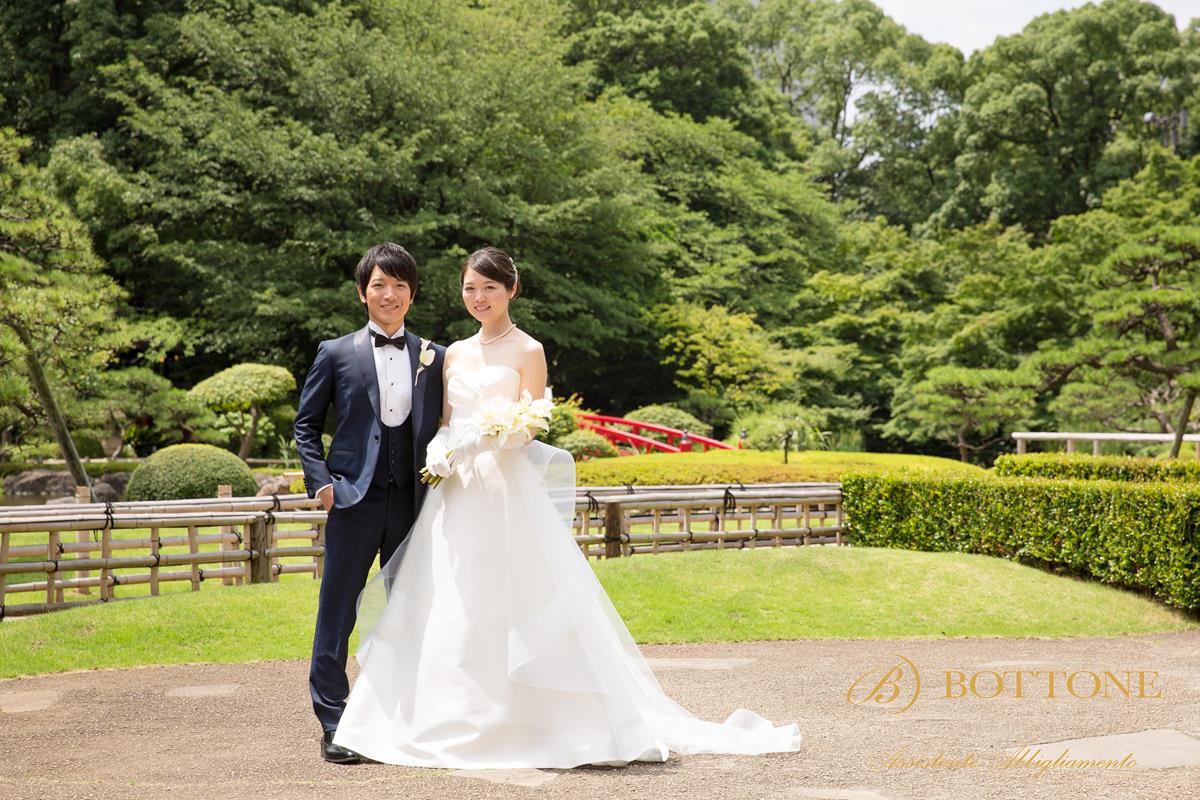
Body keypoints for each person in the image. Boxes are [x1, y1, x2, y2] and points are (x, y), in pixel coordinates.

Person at [332, 247, 802, 768]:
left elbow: (531, 424)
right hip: (458, 492)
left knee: (515, 597)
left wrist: (488, 439)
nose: (479, 297)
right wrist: (445, 447)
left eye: (490, 288)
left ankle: (535, 722)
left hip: (506, 491)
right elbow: (445, 418)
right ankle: (439, 716)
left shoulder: (529, 349)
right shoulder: (454, 353)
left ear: (511, 290)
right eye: (470, 288)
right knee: (450, 600)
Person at [293, 242, 445, 764]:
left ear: (412, 294)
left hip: (412, 503)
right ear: (363, 293)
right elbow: (306, 426)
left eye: (400, 285)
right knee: (338, 611)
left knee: (411, 612)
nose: (390, 294)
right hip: (353, 501)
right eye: (380, 284)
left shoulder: (434, 355)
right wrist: (322, 482)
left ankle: (405, 716)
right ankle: (335, 723)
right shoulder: (335, 353)